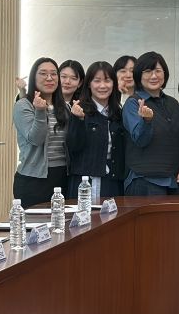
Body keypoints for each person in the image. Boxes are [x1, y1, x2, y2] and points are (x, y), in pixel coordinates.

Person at [122, 52, 179, 195]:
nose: (154, 76)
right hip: (144, 182)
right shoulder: (133, 103)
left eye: (158, 71)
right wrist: (146, 121)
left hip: (174, 181)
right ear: (139, 75)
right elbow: (140, 140)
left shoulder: (173, 103)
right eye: (148, 71)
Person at [12, 57, 69, 207]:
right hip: (33, 179)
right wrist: (40, 111)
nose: (49, 78)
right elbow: (36, 139)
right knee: (35, 222)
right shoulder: (23, 105)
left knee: (62, 221)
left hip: (62, 176)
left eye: (54, 74)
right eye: (43, 73)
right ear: (34, 77)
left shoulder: (64, 107)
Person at [66, 61, 125, 199]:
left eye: (107, 80)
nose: (102, 86)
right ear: (89, 84)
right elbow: (73, 146)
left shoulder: (118, 112)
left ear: (114, 84)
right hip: (84, 181)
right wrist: (78, 120)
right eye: (97, 81)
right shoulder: (79, 110)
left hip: (112, 181)